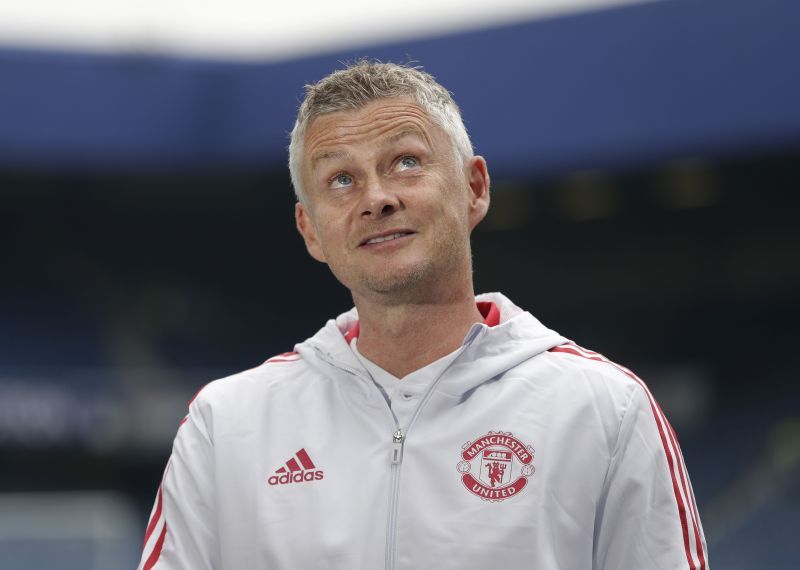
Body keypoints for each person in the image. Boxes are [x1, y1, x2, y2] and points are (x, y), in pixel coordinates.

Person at [138, 60, 708, 570]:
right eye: (341, 179)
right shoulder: (227, 424)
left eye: (406, 162)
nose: (376, 198)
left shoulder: (603, 408)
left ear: (474, 188)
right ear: (310, 230)